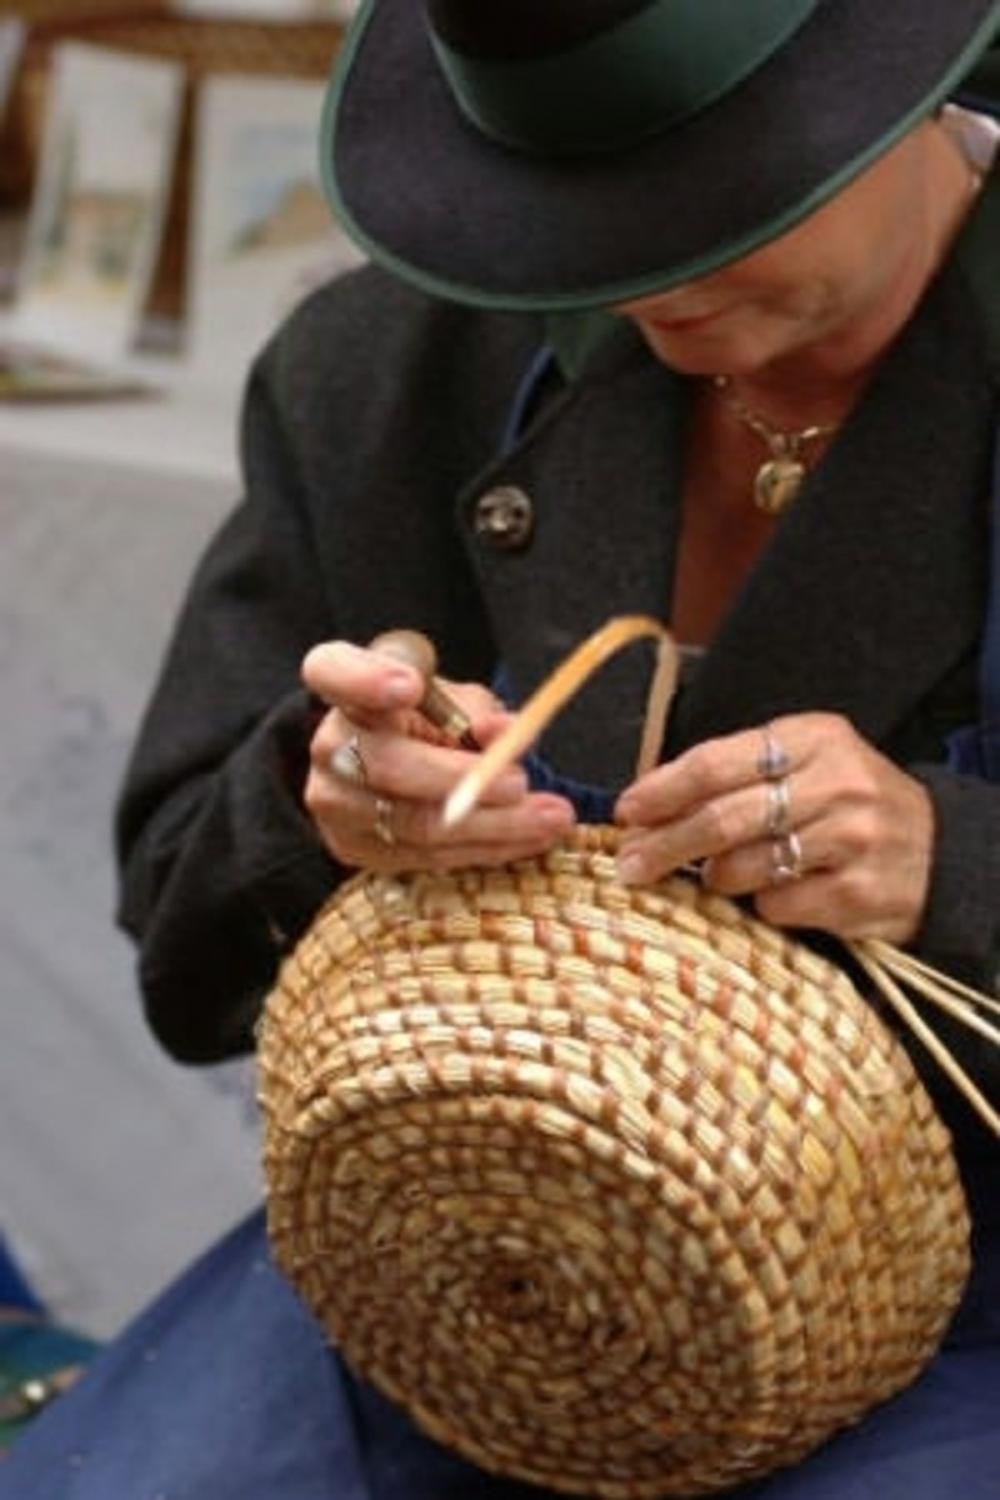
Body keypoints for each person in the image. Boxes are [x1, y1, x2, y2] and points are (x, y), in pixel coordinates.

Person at [3, 2, 1000, 1496]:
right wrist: (319, 795)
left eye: (705, 200)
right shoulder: (398, 365)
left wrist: (954, 862)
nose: (641, 275)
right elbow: (184, 933)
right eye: (571, 215)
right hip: (477, 1277)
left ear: (892, 87)